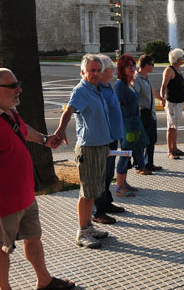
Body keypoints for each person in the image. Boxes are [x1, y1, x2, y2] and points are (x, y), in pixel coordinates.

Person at [0, 69, 75, 289]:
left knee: (34, 238)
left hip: (25, 194)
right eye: (13, 86)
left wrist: (44, 140)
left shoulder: (9, 111)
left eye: (18, 83)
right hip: (3, 200)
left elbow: (22, 130)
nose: (19, 89)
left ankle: (44, 281)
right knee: (3, 247)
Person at [55, 54, 113, 249]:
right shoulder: (81, 90)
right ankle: (82, 232)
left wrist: (105, 145)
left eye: (98, 70)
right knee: (86, 192)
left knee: (94, 190)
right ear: (83, 72)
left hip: (98, 146)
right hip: (87, 148)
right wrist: (61, 129)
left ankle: (88, 226)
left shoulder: (96, 90)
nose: (96, 73)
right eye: (92, 70)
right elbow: (69, 110)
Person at [93, 55, 126, 224]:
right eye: (110, 68)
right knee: (101, 175)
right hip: (105, 138)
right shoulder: (97, 89)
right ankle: (97, 210)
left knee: (108, 173)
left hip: (113, 137)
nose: (113, 71)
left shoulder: (108, 86)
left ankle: (106, 202)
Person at [114, 54, 150, 195]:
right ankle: (119, 186)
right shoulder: (120, 85)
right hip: (126, 124)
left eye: (133, 66)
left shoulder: (129, 83)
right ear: (121, 68)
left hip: (133, 122)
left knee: (129, 153)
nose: (132, 68)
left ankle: (124, 182)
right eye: (129, 66)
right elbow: (117, 107)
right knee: (125, 153)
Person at [134, 54, 164, 172]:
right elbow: (134, 97)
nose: (153, 66)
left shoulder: (146, 78)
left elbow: (153, 91)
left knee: (152, 140)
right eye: (152, 64)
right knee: (142, 141)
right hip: (143, 114)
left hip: (151, 114)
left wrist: (161, 99)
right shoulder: (136, 79)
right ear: (146, 65)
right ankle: (140, 166)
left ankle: (149, 163)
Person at [161, 49, 184, 159]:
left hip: (179, 102)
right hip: (172, 102)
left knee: (175, 126)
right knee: (171, 127)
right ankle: (170, 151)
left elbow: (182, 84)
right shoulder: (169, 70)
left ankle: (175, 148)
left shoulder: (178, 70)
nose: (183, 59)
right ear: (177, 59)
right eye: (182, 58)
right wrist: (162, 99)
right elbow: (164, 86)